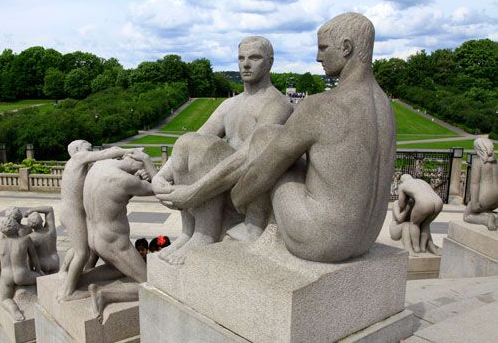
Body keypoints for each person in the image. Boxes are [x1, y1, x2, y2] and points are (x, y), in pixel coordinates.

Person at [158, 13, 395, 263]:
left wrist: (210, 196)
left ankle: (251, 225)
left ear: (346, 47)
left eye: (324, 48)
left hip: (316, 239)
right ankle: (209, 228)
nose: (318, 57)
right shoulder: (384, 106)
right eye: (241, 58)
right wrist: (164, 174)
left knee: (266, 138)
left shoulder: (320, 105)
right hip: (364, 238)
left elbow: (264, 165)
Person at [153, 36, 293, 265]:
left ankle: (205, 235)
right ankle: (189, 232)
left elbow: (248, 156)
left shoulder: (277, 105)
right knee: (188, 140)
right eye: (241, 58)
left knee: (208, 149)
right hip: (220, 185)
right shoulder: (230, 104)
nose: (245, 64)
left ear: (270, 62)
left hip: (246, 190)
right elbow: (193, 140)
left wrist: (193, 192)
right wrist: (161, 176)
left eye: (254, 57)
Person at [83, 149, 157, 322]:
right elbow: (160, 189)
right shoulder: (124, 180)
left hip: (93, 238)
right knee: (150, 285)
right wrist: (148, 163)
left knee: (118, 269)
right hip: (114, 243)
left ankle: (81, 279)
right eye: (141, 165)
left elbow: (113, 198)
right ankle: (103, 294)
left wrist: (136, 178)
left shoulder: (98, 166)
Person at [57, 140, 134, 302]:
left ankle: (74, 273)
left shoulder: (79, 165)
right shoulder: (78, 158)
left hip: (74, 211)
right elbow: (104, 154)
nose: (90, 148)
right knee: (82, 252)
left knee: (84, 247)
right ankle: (68, 292)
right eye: (87, 145)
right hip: (72, 212)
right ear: (76, 149)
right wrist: (129, 150)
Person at [0, 216, 44, 321]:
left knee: (5, 299)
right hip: (22, 275)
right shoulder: (25, 240)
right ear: (17, 228)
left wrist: (1, 280)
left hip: (6, 276)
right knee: (40, 278)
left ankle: (13, 308)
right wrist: (39, 271)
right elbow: (34, 257)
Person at [389, 175, 442, 255]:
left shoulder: (404, 186)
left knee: (414, 224)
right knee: (425, 224)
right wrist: (408, 207)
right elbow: (399, 217)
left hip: (424, 202)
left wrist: (407, 205)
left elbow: (402, 203)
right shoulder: (422, 182)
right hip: (438, 201)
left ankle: (418, 248)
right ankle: (421, 247)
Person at [464, 138, 498, 230]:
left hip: (485, 196)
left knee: (467, 216)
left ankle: (486, 219)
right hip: (496, 197)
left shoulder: (478, 161)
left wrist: (474, 202)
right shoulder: (495, 161)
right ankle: (489, 215)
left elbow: (475, 183)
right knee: (485, 209)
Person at [26, 206, 59, 274]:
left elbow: (29, 258)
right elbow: (49, 209)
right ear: (42, 221)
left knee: (43, 283)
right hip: (55, 261)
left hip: (42, 264)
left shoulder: (30, 238)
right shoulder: (50, 231)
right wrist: (32, 209)